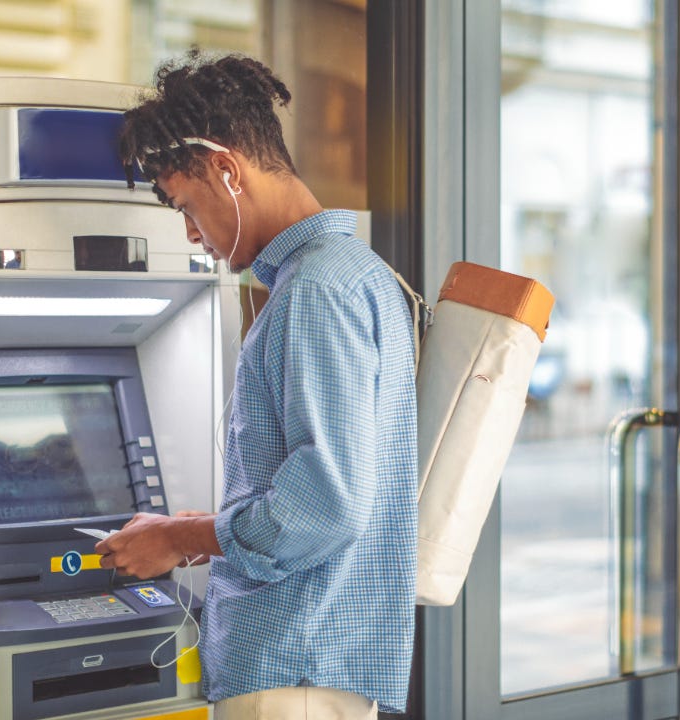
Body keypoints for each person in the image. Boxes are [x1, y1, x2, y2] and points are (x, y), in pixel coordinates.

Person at [97, 52, 418, 719]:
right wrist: (204, 527)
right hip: (312, 661)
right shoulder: (353, 272)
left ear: (227, 169)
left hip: (290, 666)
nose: (192, 233)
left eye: (187, 207)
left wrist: (182, 538)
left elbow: (327, 504)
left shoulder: (314, 290)